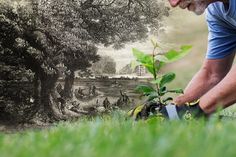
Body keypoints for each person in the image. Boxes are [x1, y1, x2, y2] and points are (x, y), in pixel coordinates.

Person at [130, 0, 236, 120]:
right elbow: (212, 74)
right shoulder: (217, 12)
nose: (173, 3)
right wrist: (171, 110)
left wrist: (195, 110)